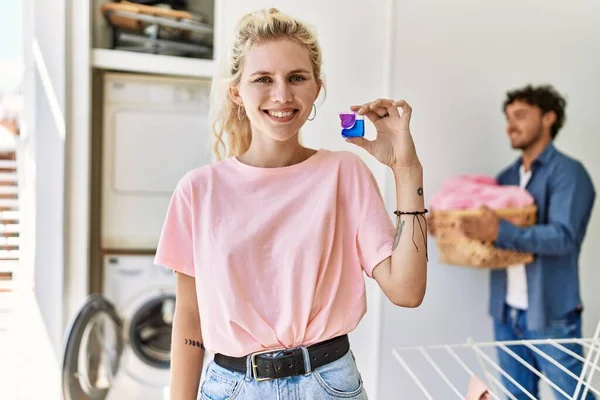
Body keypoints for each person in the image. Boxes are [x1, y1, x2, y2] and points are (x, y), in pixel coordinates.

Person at [154, 8, 429, 400]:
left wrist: (407, 170)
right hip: (230, 388)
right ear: (237, 92)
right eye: (263, 79)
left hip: (329, 385)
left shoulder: (344, 173)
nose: (282, 95)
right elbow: (190, 319)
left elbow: (407, 290)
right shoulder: (198, 190)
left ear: (317, 87)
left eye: (296, 78)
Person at [434, 84, 596, 399]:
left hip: (550, 313)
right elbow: (487, 240)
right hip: (506, 311)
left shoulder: (569, 173)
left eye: (520, 115)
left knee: (571, 396)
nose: (510, 125)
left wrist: (500, 232)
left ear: (549, 117)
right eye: (508, 117)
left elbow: (565, 237)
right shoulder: (505, 178)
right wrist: (450, 228)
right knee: (516, 396)